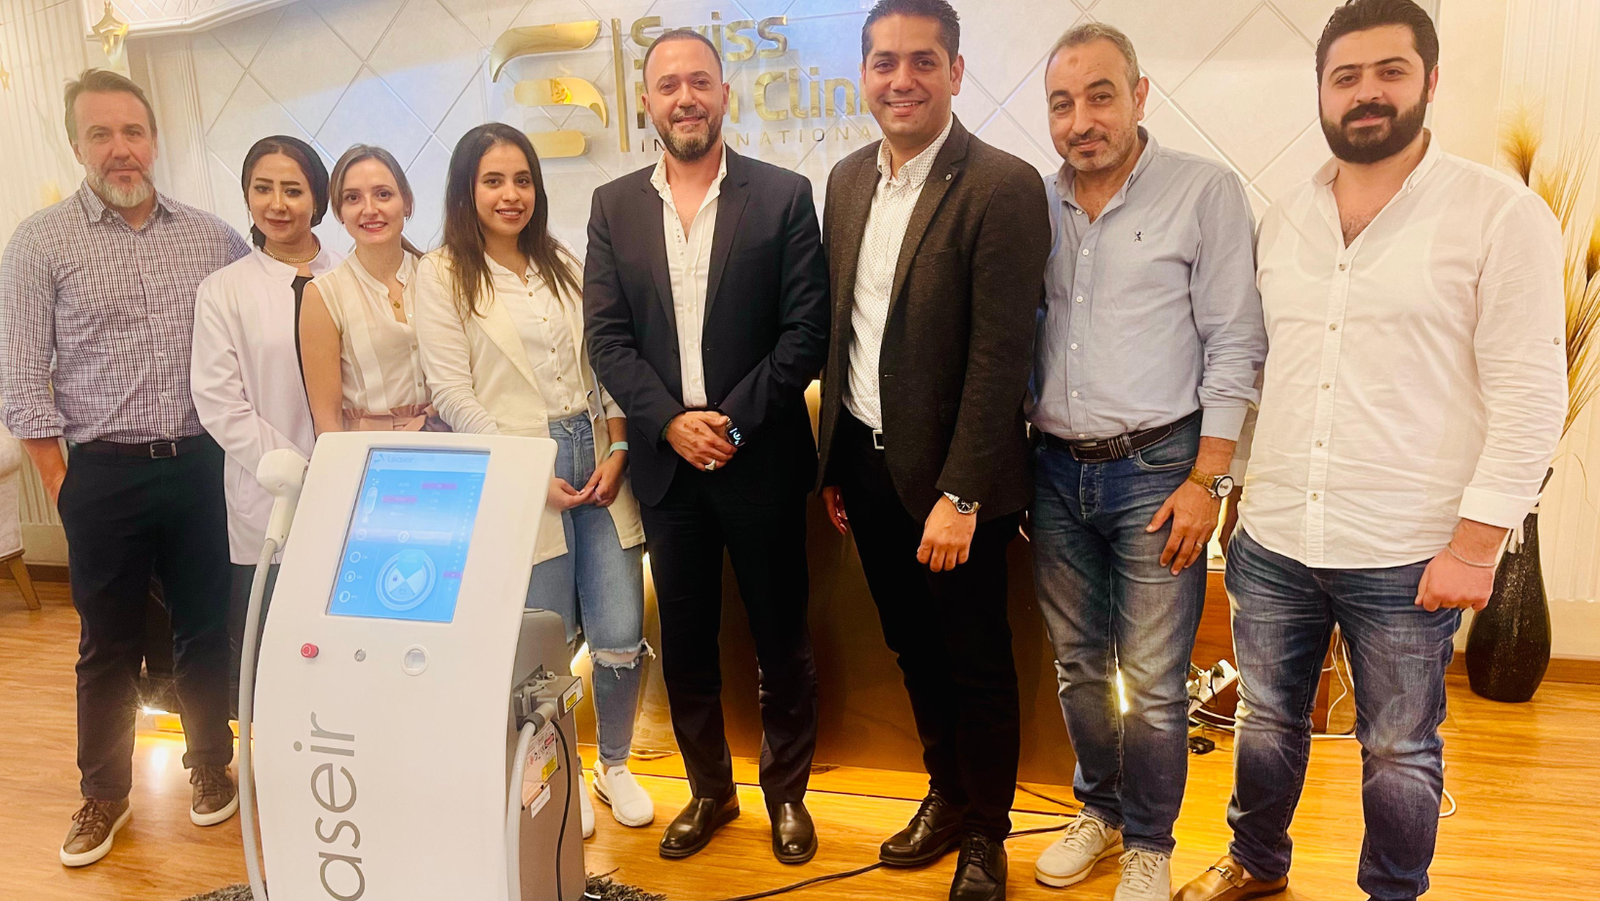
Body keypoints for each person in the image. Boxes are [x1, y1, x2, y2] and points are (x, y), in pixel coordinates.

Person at [1175, 2, 1567, 900]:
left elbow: (1531, 393)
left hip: (1409, 551)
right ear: (1320, 90)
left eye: (1390, 71)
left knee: (1398, 746)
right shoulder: (1287, 217)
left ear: (1431, 80)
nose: (1366, 93)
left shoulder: (1499, 215)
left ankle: (1392, 889)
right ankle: (1256, 861)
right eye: (1345, 76)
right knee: (1265, 719)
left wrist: (1477, 544)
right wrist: (1230, 486)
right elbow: (1261, 368)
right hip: (1276, 536)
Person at [1025, 24, 1267, 901]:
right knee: (1079, 666)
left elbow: (1236, 343)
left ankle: (1150, 844)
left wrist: (1209, 479)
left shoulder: (1202, 192)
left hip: (1161, 472)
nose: (1081, 120)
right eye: (1062, 103)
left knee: (1156, 681)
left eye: (1100, 96)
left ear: (1139, 95)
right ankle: (1100, 809)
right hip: (1054, 471)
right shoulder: (1033, 202)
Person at [814, 2, 1051, 899]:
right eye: (884, 62)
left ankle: (987, 832)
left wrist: (963, 494)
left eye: (922, 61)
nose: (901, 79)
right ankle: (947, 794)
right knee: (912, 648)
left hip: (956, 485)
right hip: (867, 466)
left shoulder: (1001, 184)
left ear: (955, 71)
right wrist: (837, 461)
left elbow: (1001, 357)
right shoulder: (846, 180)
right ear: (864, 75)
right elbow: (845, 330)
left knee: (976, 660)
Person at [584, 29, 829, 865]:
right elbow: (608, 338)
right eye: (667, 85)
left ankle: (787, 796)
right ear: (646, 102)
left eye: (699, 82)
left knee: (781, 641)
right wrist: (668, 421)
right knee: (687, 645)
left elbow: (806, 333)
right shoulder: (613, 206)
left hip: (759, 457)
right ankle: (710, 790)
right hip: (668, 468)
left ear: (725, 93)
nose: (684, 98)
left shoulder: (784, 195)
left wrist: (729, 421)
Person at [0, 68, 249, 867]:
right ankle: (104, 792)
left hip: (202, 465)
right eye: (100, 134)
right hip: (101, 473)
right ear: (76, 144)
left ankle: (210, 762)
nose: (120, 149)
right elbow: (19, 375)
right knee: (106, 642)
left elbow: (264, 317)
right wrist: (61, 482)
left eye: (132, 131)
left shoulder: (212, 236)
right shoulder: (39, 241)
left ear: (154, 139)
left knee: (205, 626)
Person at [414, 123, 654, 839]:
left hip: (596, 453)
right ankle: (557, 770)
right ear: (466, 191)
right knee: (544, 643)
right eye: (493, 180)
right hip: (521, 463)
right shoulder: (441, 273)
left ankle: (615, 764)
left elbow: (604, 359)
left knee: (620, 627)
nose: (510, 194)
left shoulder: (562, 261)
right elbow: (451, 391)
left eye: (522, 179)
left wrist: (618, 444)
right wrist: (526, 469)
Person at [191, 135, 342, 715]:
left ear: (317, 198)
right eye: (263, 189)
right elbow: (218, 402)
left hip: (355, 489)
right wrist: (299, 471)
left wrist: (341, 468)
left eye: (293, 190)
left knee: (346, 645)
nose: (278, 204)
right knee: (278, 658)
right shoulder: (224, 290)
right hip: (271, 497)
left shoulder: (349, 272)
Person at [300, 144, 437, 434]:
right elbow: (326, 419)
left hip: (450, 441)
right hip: (369, 450)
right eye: (353, 198)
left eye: (383, 194)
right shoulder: (323, 294)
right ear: (339, 212)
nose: (370, 209)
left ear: (407, 203)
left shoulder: (439, 275)